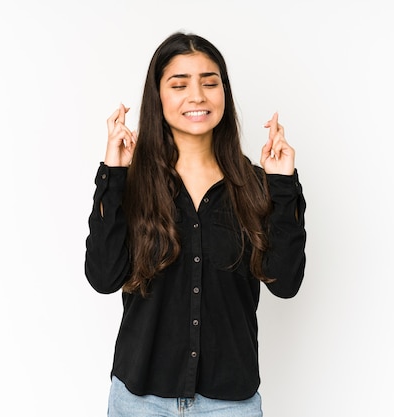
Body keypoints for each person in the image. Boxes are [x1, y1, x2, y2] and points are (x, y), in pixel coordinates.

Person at [85, 32, 306, 417]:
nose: (198, 96)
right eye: (180, 83)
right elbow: (104, 277)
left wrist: (283, 185)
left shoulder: (255, 186)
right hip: (140, 401)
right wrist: (114, 174)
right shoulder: (132, 183)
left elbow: (285, 284)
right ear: (158, 96)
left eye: (209, 82)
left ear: (224, 92)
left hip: (229, 403)